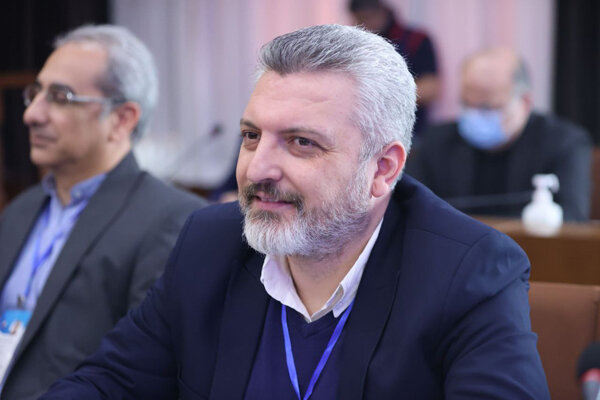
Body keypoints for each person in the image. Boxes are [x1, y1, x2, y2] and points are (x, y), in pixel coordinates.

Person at [41, 24, 549, 399]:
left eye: (301, 143)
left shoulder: (468, 271)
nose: (257, 169)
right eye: (251, 136)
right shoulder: (209, 243)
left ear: (382, 169)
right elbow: (109, 383)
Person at [0, 25, 205, 399]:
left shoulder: (171, 221)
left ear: (122, 118)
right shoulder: (21, 210)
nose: (32, 114)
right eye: (35, 93)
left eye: (59, 97)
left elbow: (145, 374)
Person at [407, 47, 592, 221]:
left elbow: (572, 217)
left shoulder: (563, 144)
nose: (475, 115)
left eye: (487, 107)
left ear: (525, 102)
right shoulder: (436, 141)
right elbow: (411, 206)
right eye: (466, 103)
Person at [349, 0, 439, 136]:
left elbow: (430, 89)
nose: (364, 24)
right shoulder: (354, 45)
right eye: (358, 19)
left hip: (408, 132)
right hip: (361, 131)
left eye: (367, 17)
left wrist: (381, 97)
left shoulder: (416, 40)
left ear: (382, 12)